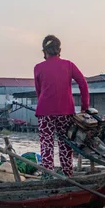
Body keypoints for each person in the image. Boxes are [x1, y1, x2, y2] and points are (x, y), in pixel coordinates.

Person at [34, 35, 89, 177]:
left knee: (46, 145)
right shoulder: (68, 65)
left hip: (45, 112)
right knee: (65, 145)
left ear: (45, 51)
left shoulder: (38, 68)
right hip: (65, 112)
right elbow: (83, 84)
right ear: (59, 50)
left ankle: (48, 176)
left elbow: (39, 92)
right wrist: (84, 107)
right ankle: (68, 174)